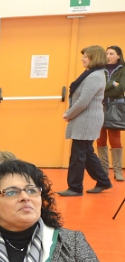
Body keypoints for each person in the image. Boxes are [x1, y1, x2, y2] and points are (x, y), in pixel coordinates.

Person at [60, 46, 115, 196]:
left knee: (78, 155)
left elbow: (83, 101)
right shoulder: (92, 74)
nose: (82, 59)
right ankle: (103, 181)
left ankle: (75, 188)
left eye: (85, 56)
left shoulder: (94, 76)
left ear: (93, 58)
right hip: (86, 118)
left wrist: (69, 114)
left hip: (87, 120)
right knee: (87, 152)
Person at [98, 46, 125, 181]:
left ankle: (117, 171)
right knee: (100, 139)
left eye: (111, 53)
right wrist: (113, 84)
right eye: (106, 53)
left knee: (115, 139)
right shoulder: (99, 69)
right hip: (99, 106)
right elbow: (98, 87)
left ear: (118, 56)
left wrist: (105, 89)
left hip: (115, 107)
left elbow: (121, 88)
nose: (108, 56)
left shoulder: (123, 70)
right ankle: (104, 171)